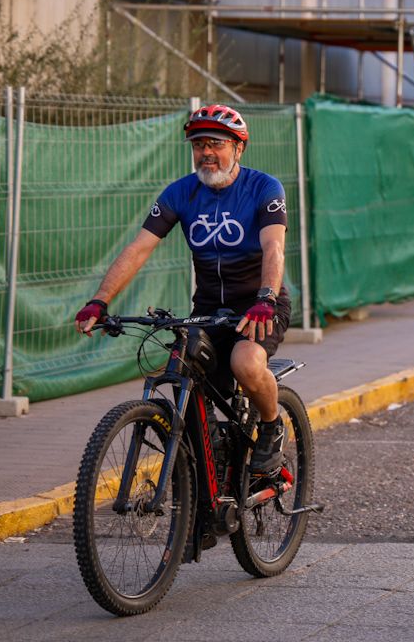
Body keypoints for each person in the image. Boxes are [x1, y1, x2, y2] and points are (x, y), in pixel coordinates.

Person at [74, 104, 291, 475]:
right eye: (199, 145)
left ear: (238, 148)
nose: (206, 152)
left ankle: (272, 427)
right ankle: (206, 465)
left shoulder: (264, 188)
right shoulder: (180, 193)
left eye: (216, 144)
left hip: (257, 304)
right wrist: (100, 300)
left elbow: (274, 247)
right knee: (182, 368)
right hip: (207, 307)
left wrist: (266, 297)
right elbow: (139, 248)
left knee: (244, 363)